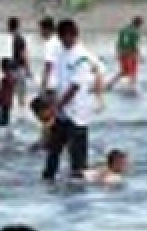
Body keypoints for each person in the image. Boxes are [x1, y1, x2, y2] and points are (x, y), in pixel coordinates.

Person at [44, 19, 102, 180]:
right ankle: (49, 183)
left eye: (65, 38)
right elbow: (56, 80)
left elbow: (75, 87)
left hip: (77, 115)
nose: (64, 41)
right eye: (61, 38)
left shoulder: (81, 57)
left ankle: (79, 191)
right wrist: (51, 99)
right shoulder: (61, 54)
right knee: (52, 156)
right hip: (62, 114)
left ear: (73, 35)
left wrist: (57, 106)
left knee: (78, 164)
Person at [8, 16, 30, 113]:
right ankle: (21, 112)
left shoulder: (18, 39)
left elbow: (23, 54)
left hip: (19, 69)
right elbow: (23, 54)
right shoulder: (18, 38)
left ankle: (22, 112)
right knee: (20, 93)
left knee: (20, 93)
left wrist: (27, 68)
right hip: (17, 69)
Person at [115, 16, 144, 90]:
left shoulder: (123, 30)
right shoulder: (136, 32)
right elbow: (135, 45)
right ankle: (132, 87)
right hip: (131, 53)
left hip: (121, 52)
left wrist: (117, 53)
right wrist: (140, 56)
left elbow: (118, 42)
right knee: (133, 72)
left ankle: (111, 83)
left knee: (124, 71)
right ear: (139, 24)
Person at [38, 16, 62, 95]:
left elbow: (48, 66)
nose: (40, 33)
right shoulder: (59, 40)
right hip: (61, 83)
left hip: (51, 86)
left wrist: (43, 86)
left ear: (47, 29)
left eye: (41, 30)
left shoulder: (50, 44)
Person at [0, 58, 17, 131]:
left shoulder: (5, 79)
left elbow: (2, 91)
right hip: (8, 101)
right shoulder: (11, 77)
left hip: (4, 102)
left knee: (2, 120)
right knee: (6, 118)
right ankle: (5, 131)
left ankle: (3, 132)